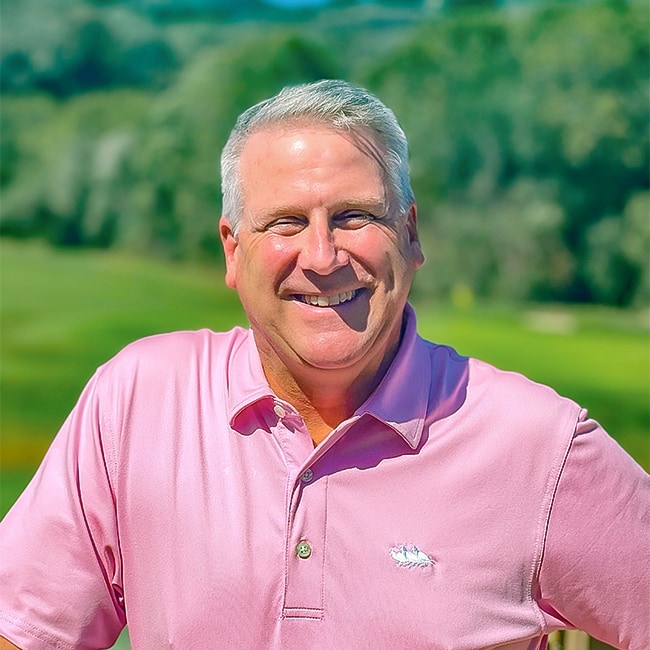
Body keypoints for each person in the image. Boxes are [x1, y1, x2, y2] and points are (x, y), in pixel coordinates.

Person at [0, 79, 648, 650]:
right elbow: (23, 631)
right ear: (232, 251)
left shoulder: (539, 444)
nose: (322, 254)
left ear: (412, 235)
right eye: (284, 223)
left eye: (354, 216)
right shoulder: (139, 401)